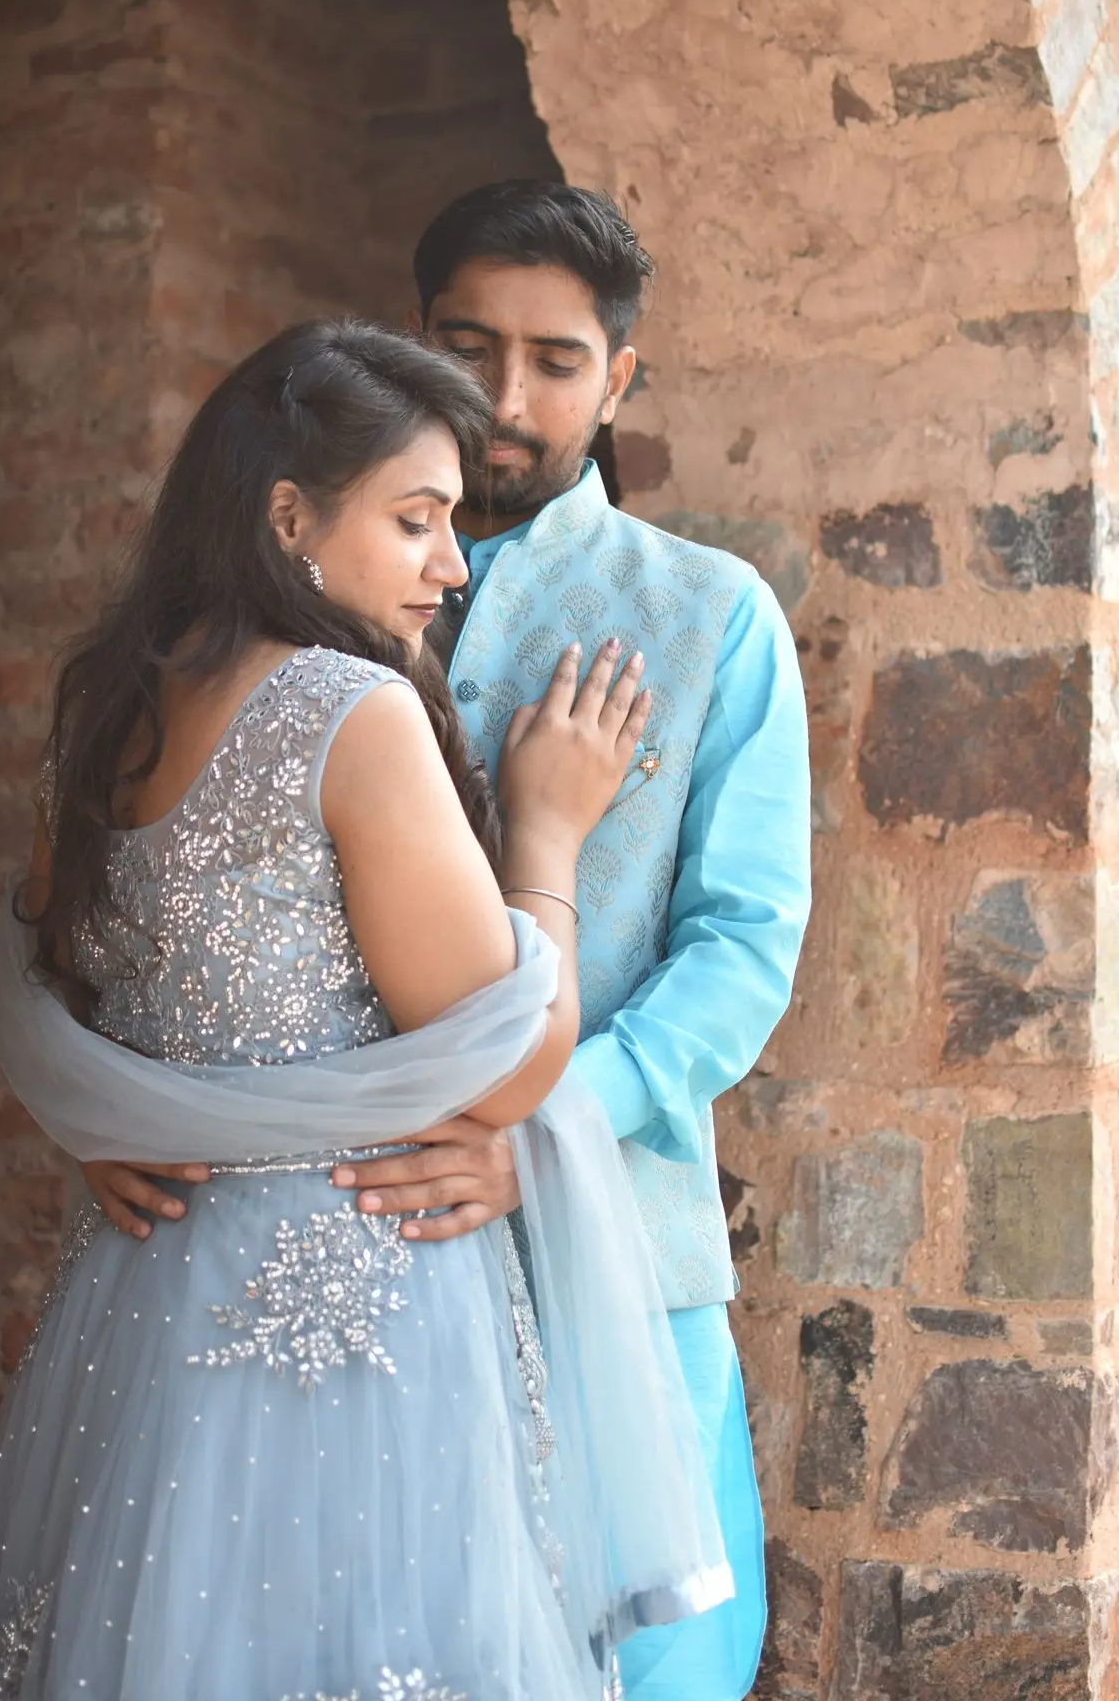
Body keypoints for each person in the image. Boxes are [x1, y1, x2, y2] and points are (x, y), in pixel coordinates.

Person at [83, 183, 812, 1700]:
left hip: (613, 1255)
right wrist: (110, 1103)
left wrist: (543, 1132)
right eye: (468, 344)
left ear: (622, 380)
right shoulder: (299, 609)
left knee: (657, 1666)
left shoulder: (707, 616)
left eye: (557, 359)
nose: (505, 395)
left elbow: (740, 954)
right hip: (332, 1284)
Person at [0, 318, 733, 1701]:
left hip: (144, 1300)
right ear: (289, 517)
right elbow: (503, 1071)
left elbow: (53, 988)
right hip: (364, 1304)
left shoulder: (110, 706)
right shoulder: (346, 709)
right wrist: (545, 835)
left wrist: (116, 1114)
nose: (449, 563)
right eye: (417, 521)